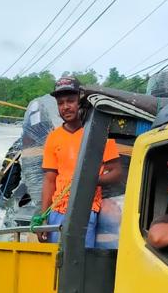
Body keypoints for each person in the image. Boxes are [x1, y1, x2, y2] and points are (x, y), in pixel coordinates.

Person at [40, 76, 121, 247]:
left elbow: (116, 172)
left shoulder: (99, 133)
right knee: (57, 265)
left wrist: (90, 180)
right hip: (57, 211)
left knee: (77, 265)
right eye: (60, 103)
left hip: (86, 208)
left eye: (71, 101)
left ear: (81, 103)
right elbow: (49, 179)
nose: (65, 107)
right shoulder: (53, 138)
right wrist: (43, 217)